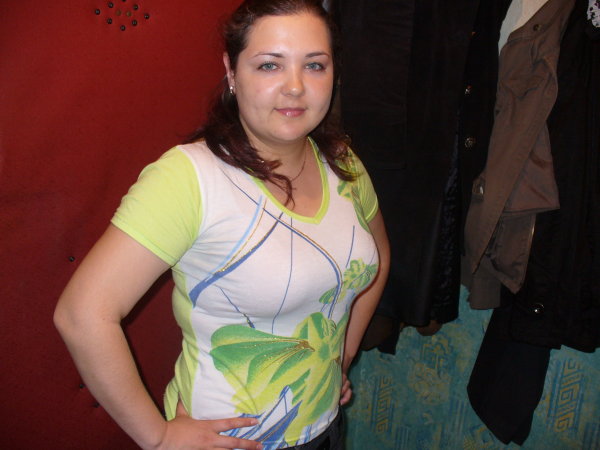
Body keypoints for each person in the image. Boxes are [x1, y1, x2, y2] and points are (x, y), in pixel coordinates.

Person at [54, 0, 390, 449]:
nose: (295, 87)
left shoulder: (343, 162)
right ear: (232, 72)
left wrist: (341, 356)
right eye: (269, 65)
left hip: (324, 427)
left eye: (314, 65)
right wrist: (158, 437)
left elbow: (378, 257)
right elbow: (81, 315)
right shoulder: (189, 178)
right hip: (232, 439)